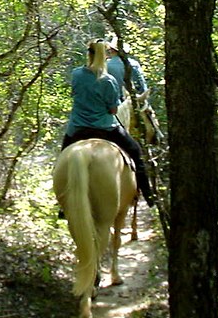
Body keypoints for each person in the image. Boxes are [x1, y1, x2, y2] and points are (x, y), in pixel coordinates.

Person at [61, 39, 154, 208]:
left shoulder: (76, 74)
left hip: (77, 127)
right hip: (105, 128)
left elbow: (75, 94)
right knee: (135, 152)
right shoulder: (108, 81)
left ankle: (63, 202)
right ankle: (148, 193)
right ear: (105, 56)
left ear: (88, 54)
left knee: (63, 158)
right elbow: (113, 110)